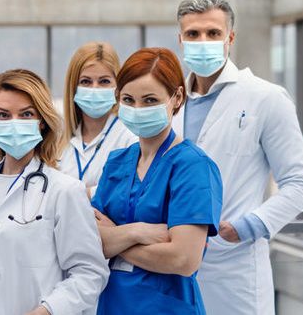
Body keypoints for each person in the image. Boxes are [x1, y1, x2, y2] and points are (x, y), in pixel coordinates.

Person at [171, 0, 303, 315]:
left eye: (213, 33)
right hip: (172, 266)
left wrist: (248, 226)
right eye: (193, 34)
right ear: (180, 40)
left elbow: (300, 184)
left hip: (234, 268)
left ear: (230, 38)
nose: (203, 41)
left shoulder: (266, 98)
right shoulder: (169, 103)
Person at [0, 69, 109, 315]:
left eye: (26, 115)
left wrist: (47, 310)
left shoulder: (63, 190)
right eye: (4, 115)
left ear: (41, 121)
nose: (14, 123)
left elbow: (90, 273)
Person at [91, 47, 223, 314]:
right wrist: (138, 232)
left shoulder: (192, 166)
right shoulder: (117, 162)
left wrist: (115, 239)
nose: (137, 109)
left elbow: (183, 259)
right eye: (128, 100)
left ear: (176, 98)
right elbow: (89, 242)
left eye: (150, 100)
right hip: (112, 304)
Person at [58, 42, 136, 198]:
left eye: (104, 81)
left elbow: (126, 190)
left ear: (118, 87)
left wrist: (71, 195)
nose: (95, 89)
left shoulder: (130, 137)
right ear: (73, 86)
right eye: (85, 81)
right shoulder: (59, 142)